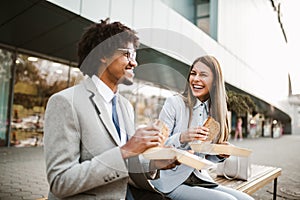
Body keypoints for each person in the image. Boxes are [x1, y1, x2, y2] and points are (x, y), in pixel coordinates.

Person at [43, 18, 178, 200]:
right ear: (102, 54)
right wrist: (126, 150)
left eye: (135, 56)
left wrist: (153, 163)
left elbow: (126, 163)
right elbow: (61, 182)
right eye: (127, 54)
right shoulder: (65, 102)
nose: (134, 63)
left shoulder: (124, 106)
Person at [151, 55, 254, 200]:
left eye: (203, 75)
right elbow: (157, 148)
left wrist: (220, 154)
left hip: (199, 178)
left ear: (215, 82)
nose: (196, 79)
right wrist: (182, 137)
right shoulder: (174, 103)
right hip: (170, 182)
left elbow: (203, 156)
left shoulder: (214, 112)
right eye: (193, 73)